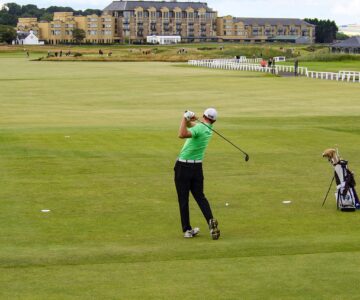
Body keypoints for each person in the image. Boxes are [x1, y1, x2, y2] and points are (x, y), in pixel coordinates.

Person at [174, 108, 220, 240]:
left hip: (183, 166)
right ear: (214, 121)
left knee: (183, 199)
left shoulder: (200, 128)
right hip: (197, 168)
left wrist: (184, 117)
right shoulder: (208, 129)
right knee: (200, 196)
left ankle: (187, 230)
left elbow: (182, 134)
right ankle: (210, 220)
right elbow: (192, 127)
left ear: (204, 115)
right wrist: (189, 119)